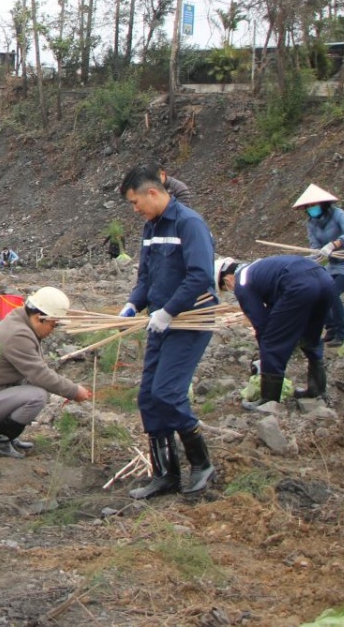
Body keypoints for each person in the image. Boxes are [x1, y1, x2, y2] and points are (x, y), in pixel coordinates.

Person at [118, 165, 218, 499]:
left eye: (136, 203)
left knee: (168, 392)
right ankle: (165, 474)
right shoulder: (151, 227)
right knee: (148, 396)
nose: (135, 210)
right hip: (161, 321)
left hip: (190, 321)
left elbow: (201, 275)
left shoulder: (189, 224)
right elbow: (146, 276)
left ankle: (201, 463)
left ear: (153, 192)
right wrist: (134, 304)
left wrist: (169, 310)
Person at [0, 287, 92, 458]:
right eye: (53, 325)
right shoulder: (18, 334)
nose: (53, 330)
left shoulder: (20, 321)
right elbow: (40, 374)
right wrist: (74, 391)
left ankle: (9, 436)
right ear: (39, 318)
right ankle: (1, 440)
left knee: (32, 386)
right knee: (37, 395)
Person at [217, 255, 336, 407]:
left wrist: (266, 358)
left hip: (300, 286)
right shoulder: (257, 267)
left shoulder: (242, 281)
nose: (231, 291)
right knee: (310, 335)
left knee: (271, 340)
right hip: (325, 280)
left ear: (227, 280)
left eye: (226, 289)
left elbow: (261, 324)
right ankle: (317, 389)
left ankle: (269, 400)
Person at [296, 184, 344, 348]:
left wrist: (333, 245)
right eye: (308, 207)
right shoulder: (311, 223)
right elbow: (315, 246)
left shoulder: (338, 214)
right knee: (318, 290)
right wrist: (312, 257)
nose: (311, 209)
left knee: (331, 291)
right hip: (335, 264)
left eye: (313, 205)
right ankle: (330, 328)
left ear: (322, 204)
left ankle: (343, 333)